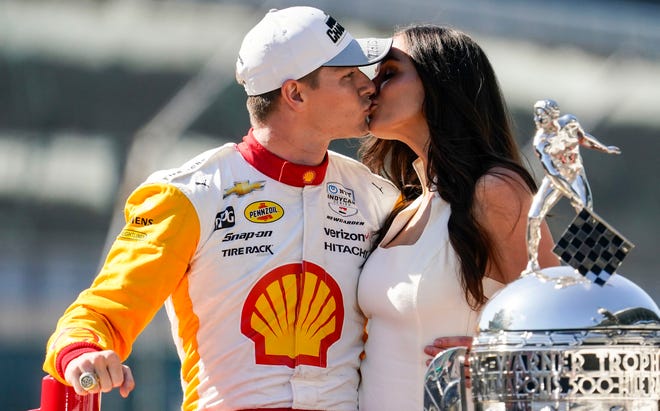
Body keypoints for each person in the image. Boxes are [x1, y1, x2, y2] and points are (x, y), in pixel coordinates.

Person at [42, 6, 399, 410]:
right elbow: (101, 311)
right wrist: (83, 353)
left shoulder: (379, 197)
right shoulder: (188, 194)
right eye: (348, 76)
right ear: (295, 93)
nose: (368, 85)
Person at [356, 25, 559, 410]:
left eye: (389, 74)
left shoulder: (494, 190)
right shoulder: (402, 208)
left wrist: (498, 361)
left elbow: (559, 319)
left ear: (440, 83)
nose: (370, 88)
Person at [526, 99, 620, 272]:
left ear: (552, 115)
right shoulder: (540, 142)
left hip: (575, 172)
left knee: (586, 212)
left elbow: (584, 139)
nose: (537, 118)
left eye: (541, 114)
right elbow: (552, 173)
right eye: (536, 114)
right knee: (534, 216)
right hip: (556, 179)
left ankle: (592, 262)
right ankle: (532, 262)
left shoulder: (570, 122)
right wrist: (571, 194)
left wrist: (604, 149)